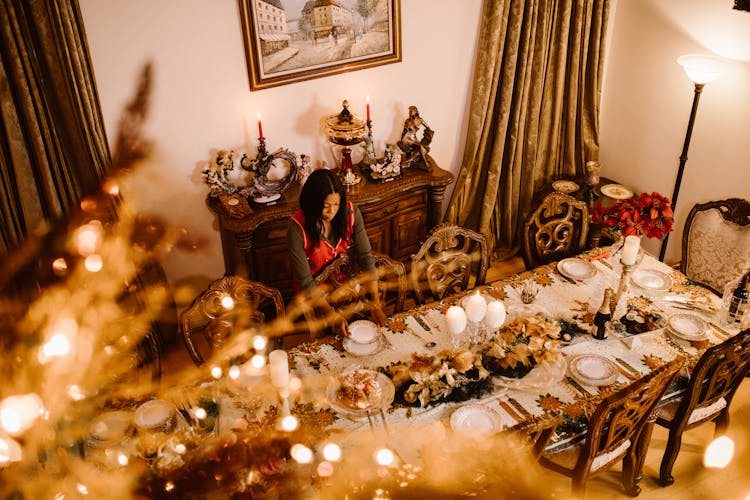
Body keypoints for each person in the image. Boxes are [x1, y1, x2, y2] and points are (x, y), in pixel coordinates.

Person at [287, 169, 386, 337]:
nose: (331, 212)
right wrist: (332, 315)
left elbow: (366, 258)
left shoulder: (350, 213)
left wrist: (376, 304)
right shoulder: (297, 228)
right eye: (325, 206)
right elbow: (306, 283)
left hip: (348, 286)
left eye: (336, 204)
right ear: (312, 204)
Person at [397, 105, 434, 171]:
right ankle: (425, 163)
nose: (410, 112)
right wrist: (402, 140)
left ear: (416, 111)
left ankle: (408, 162)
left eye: (412, 111)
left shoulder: (420, 120)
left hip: (414, 138)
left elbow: (428, 128)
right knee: (420, 146)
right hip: (407, 139)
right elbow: (404, 132)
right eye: (409, 111)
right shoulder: (408, 121)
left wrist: (429, 136)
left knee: (423, 148)